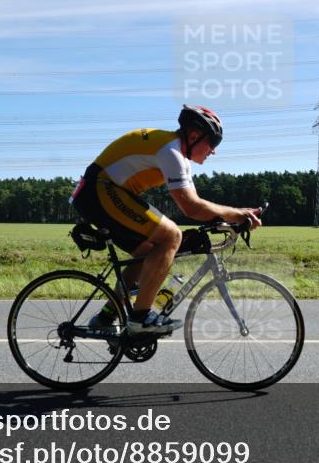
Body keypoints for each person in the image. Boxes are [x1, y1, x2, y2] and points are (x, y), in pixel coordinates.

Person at [70, 105, 262, 334]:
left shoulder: (176, 153)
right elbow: (191, 207)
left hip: (102, 191)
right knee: (171, 235)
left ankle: (106, 317)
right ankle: (140, 319)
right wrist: (238, 213)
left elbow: (197, 203)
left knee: (149, 253)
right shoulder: (171, 152)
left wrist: (232, 216)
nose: (214, 151)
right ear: (193, 136)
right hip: (100, 190)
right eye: (213, 143)